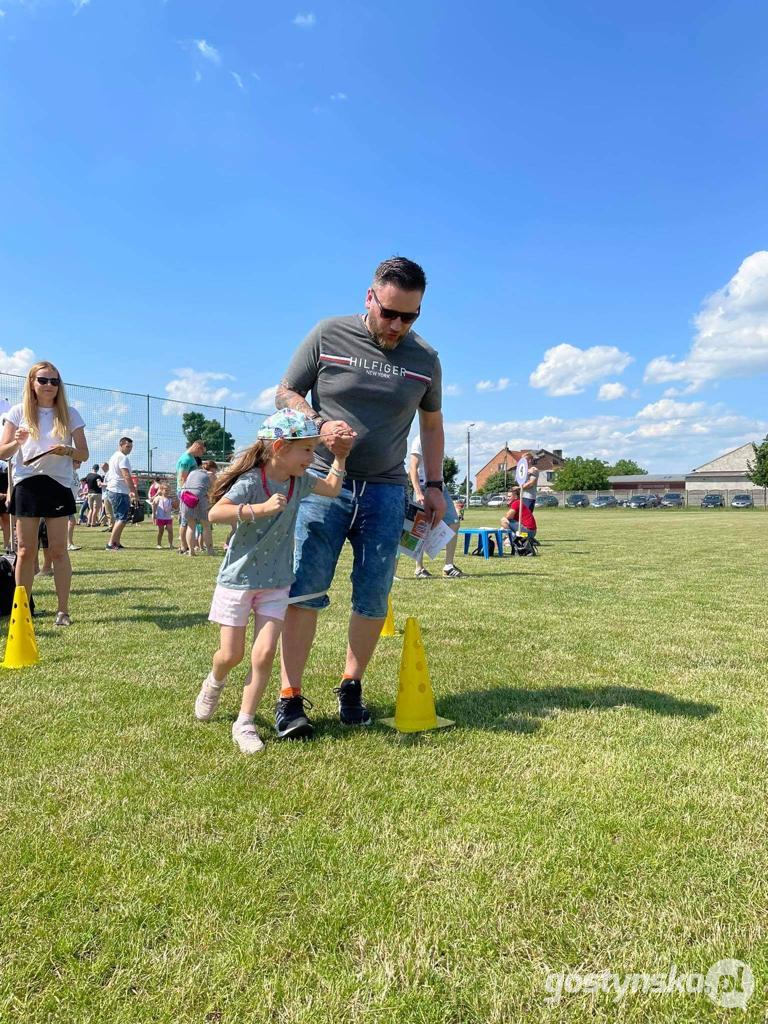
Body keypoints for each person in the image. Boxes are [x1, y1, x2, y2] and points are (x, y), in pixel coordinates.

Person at [274, 256, 446, 738]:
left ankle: (352, 686)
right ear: (369, 298)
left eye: (408, 317)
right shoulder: (329, 333)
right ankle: (290, 697)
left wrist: (433, 486)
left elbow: (431, 426)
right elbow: (284, 392)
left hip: (388, 491)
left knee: (373, 595)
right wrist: (320, 424)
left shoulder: (425, 359)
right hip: (322, 482)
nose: (396, 326)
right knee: (305, 588)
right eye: (388, 313)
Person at [194, 411, 347, 753]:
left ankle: (245, 721)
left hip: (277, 583)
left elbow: (334, 489)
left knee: (263, 655)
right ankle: (215, 681)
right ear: (279, 447)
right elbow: (215, 513)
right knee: (230, 655)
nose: (312, 458)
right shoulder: (251, 482)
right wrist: (258, 509)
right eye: (307, 450)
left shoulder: (300, 481)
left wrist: (340, 457)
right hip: (239, 581)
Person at [0, 361, 89, 625]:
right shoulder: (18, 413)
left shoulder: (70, 414)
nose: (49, 385)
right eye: (43, 380)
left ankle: (63, 611)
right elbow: (2, 453)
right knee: (26, 551)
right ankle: (22, 608)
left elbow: (84, 453)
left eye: (55, 381)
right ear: (31, 382)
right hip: (27, 484)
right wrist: (18, 441)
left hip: (59, 484)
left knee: (59, 550)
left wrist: (68, 451)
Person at [408, 433, 465, 579]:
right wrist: (418, 492)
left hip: (440, 487)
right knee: (420, 528)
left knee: (454, 522)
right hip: (423, 487)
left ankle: (448, 566)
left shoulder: (438, 440)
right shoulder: (419, 440)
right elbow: (413, 468)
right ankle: (419, 568)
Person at [104, 437, 136, 551]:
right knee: (122, 518)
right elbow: (126, 475)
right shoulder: (122, 458)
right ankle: (111, 543)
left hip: (115, 490)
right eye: (127, 446)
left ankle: (116, 541)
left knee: (120, 517)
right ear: (121, 445)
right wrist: (133, 491)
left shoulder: (114, 456)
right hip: (119, 491)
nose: (130, 449)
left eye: (131, 447)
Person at [179, 461, 215, 556]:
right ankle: (210, 551)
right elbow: (213, 490)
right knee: (206, 525)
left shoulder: (192, 472)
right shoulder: (210, 474)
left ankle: (191, 551)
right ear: (211, 469)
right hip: (199, 497)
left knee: (191, 525)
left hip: (186, 497)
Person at [152, 483, 174, 549]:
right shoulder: (158, 498)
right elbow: (154, 506)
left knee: (170, 531)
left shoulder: (170, 499)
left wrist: (176, 500)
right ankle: (159, 544)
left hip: (168, 518)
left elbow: (175, 506)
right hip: (160, 518)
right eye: (166, 490)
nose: (167, 492)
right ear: (161, 490)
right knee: (161, 531)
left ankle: (170, 544)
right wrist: (154, 514)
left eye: (168, 490)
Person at [67, 460, 82, 551]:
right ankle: (69, 544)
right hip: (66, 499)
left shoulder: (75, 473)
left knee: (71, 522)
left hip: (72, 500)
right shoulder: (68, 472)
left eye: (80, 462)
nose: (80, 463)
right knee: (72, 521)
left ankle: (69, 543)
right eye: (77, 462)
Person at [0, 461, 10, 550]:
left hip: (4, 493)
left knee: (6, 520)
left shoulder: (5, 465)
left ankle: (7, 546)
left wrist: (5, 495)